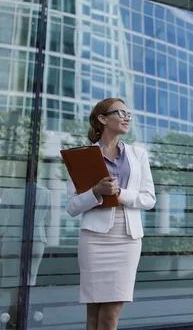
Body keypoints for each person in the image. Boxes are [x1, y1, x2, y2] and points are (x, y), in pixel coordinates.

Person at [66, 98, 156, 330]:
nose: (127, 118)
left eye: (129, 114)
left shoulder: (138, 155)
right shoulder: (81, 157)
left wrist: (120, 193)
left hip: (127, 238)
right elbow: (72, 207)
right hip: (94, 238)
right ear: (103, 119)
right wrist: (96, 191)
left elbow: (148, 199)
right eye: (120, 113)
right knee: (93, 312)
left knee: (111, 313)